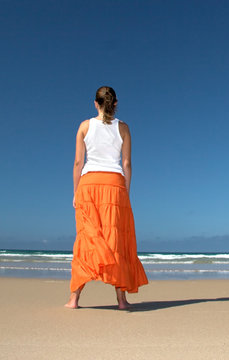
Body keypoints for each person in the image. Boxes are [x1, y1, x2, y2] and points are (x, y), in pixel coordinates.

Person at [65, 86, 148, 310]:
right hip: (115, 186)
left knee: (86, 239)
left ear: (95, 103)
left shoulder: (84, 126)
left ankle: (74, 299)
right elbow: (127, 164)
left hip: (89, 185)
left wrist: (75, 192)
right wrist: (125, 192)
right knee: (116, 241)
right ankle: (121, 300)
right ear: (115, 103)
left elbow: (78, 163)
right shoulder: (123, 128)